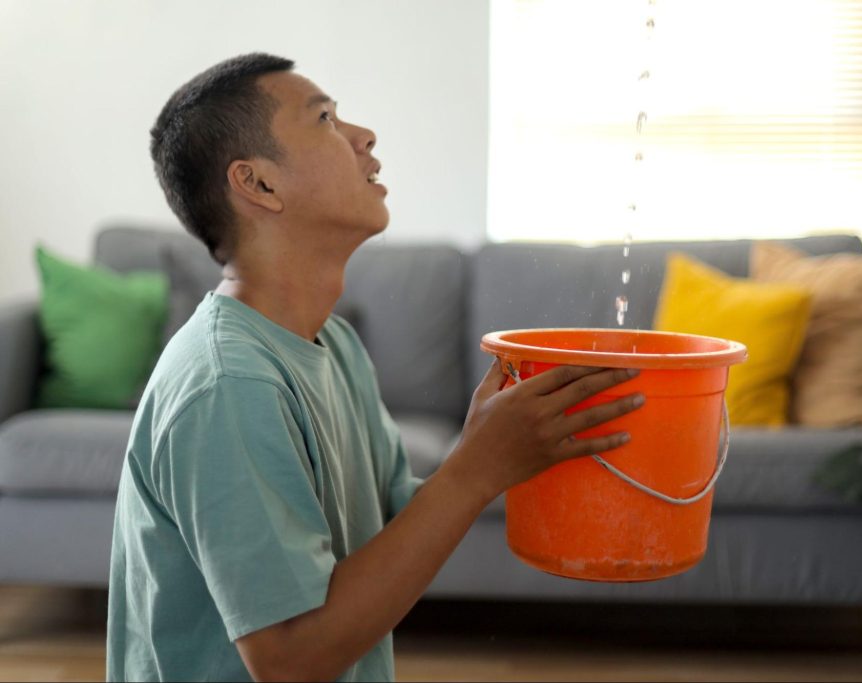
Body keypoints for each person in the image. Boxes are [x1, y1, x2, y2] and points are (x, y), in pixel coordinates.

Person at [105, 52, 645, 682]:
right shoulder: (230, 385)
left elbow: (388, 525)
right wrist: (473, 470)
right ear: (258, 185)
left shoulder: (330, 341)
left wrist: (501, 445)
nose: (364, 137)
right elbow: (290, 657)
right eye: (327, 119)